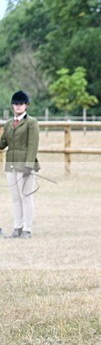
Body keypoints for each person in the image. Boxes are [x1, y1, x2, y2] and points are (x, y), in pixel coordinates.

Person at [1, 90, 40, 239]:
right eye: (16, 104)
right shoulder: (9, 124)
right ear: (12, 106)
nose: (18, 106)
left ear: (26, 105)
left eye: (21, 104)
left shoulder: (31, 123)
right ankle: (17, 227)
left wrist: (28, 166)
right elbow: (3, 143)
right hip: (11, 164)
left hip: (25, 164)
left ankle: (27, 229)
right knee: (15, 198)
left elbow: (33, 145)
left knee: (26, 197)